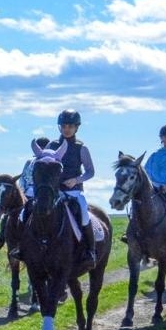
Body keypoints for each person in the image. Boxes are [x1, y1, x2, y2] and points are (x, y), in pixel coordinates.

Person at [51, 109, 98, 271]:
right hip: (53, 192)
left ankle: (89, 251)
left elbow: (90, 171)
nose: (67, 129)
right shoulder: (52, 146)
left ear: (76, 127)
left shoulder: (81, 148)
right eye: (64, 125)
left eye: (70, 126)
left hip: (74, 191)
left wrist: (76, 180)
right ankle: (23, 247)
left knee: (84, 213)